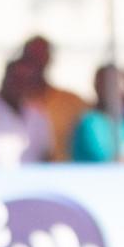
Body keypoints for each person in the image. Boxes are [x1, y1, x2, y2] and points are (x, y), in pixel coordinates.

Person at [20, 35, 87, 163]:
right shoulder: (13, 102)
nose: (37, 63)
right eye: (31, 57)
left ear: (50, 60)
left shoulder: (71, 101)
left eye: (41, 57)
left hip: (65, 174)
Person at [71, 64, 124, 163]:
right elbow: (108, 161)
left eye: (123, 83)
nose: (121, 89)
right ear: (98, 87)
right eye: (112, 84)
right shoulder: (90, 123)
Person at [0, 58, 53, 165]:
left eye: (25, 80)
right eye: (15, 79)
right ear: (5, 78)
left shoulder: (37, 114)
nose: (19, 85)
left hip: (30, 177)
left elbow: (46, 154)